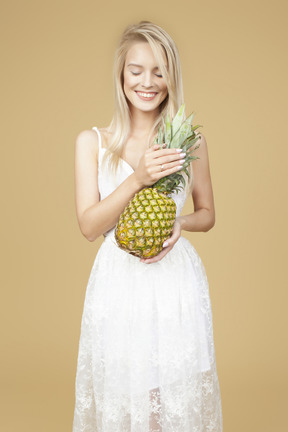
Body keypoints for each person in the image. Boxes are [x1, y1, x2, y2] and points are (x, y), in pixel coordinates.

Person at [73, 20, 223, 432]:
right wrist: (138, 178)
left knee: (170, 401)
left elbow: (208, 213)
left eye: (159, 71)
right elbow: (89, 227)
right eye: (136, 70)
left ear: (170, 76)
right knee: (122, 399)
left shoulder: (189, 142)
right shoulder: (93, 142)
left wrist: (181, 223)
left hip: (174, 280)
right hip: (118, 281)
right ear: (121, 75)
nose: (148, 82)